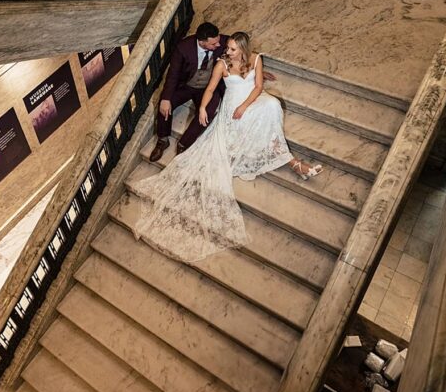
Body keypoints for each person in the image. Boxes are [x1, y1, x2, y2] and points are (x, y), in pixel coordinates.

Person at [132, 31, 322, 262]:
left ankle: (292, 161)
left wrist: (245, 106)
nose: (227, 51)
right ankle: (295, 164)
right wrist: (202, 108)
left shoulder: (256, 59)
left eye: (232, 49)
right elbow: (211, 89)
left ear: (242, 49)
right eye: (228, 48)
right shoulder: (222, 64)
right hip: (231, 107)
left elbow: (259, 86)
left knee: (272, 105)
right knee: (253, 117)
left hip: (251, 100)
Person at [150, 22, 228, 162]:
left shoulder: (221, 41)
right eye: (213, 44)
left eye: (218, 41)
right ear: (202, 42)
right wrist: (166, 98)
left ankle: (183, 144)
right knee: (165, 104)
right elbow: (173, 74)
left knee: (207, 112)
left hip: (208, 87)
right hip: (186, 86)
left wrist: (255, 65)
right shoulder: (183, 48)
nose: (218, 45)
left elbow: (241, 46)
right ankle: (163, 140)